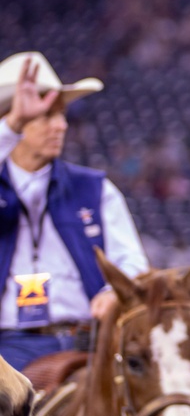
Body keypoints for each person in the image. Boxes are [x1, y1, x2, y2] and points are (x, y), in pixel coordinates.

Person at [0, 51, 149, 371]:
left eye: (61, 115)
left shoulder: (94, 188)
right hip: (7, 348)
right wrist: (11, 124)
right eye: (45, 116)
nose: (61, 126)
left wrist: (114, 292)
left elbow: (133, 263)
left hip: (88, 342)